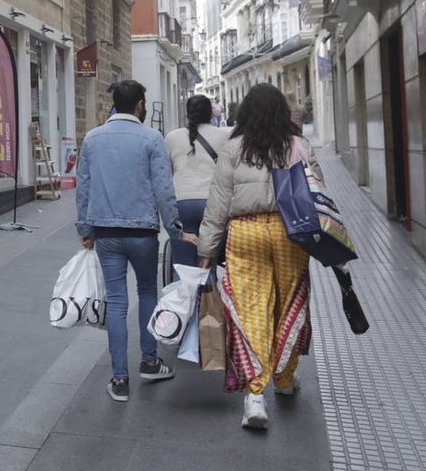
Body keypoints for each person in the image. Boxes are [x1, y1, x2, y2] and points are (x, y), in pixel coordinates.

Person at [197, 83, 321, 430]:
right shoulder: (299, 145)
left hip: (245, 233)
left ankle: (255, 396)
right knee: (288, 304)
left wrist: (206, 251)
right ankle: (283, 378)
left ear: (246, 114)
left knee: (252, 307)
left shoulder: (233, 148)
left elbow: (217, 203)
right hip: (289, 233)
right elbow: (319, 195)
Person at [75, 80, 188, 403]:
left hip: (106, 233)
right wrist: (175, 230)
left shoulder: (93, 139)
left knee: (117, 300)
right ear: (141, 104)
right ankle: (150, 361)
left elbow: (83, 186)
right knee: (147, 291)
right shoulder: (152, 139)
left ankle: (120, 379)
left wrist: (85, 227)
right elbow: (164, 191)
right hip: (143, 233)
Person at [165, 95, 231, 270]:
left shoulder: (172, 138)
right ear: (210, 113)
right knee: (207, 264)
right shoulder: (224, 136)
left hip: (181, 202)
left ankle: (185, 296)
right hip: (211, 204)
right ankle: (207, 295)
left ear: (187, 113)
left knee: (183, 268)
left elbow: (166, 174)